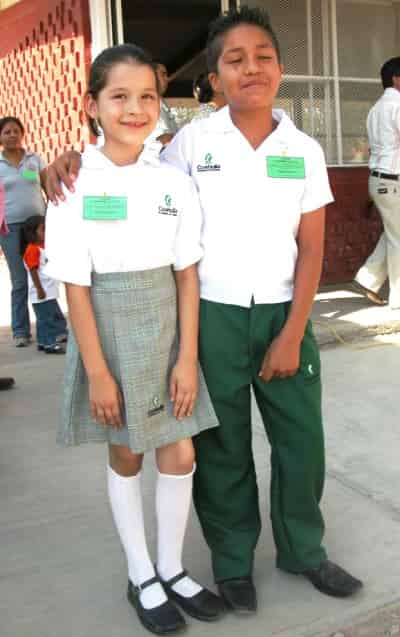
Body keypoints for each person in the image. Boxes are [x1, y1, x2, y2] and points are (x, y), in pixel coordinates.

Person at [45, 6, 363, 616]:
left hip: (282, 314)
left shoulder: (303, 147)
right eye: (234, 60)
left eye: (263, 57)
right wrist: (71, 158)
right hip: (212, 316)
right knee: (221, 447)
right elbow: (127, 167)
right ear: (214, 78)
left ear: (281, 68)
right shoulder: (189, 142)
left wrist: (295, 330)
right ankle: (234, 563)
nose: (251, 69)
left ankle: (304, 549)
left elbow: (314, 244)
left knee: (302, 441)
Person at [44, 44, 224, 635]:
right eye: (119, 96)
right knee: (127, 451)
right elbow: (74, 286)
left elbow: (188, 274)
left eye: (147, 95)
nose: (136, 108)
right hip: (110, 336)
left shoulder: (172, 179)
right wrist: (97, 371)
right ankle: (140, 571)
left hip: (171, 332)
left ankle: (172, 567)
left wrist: (188, 358)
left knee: (180, 451)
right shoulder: (71, 185)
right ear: (92, 104)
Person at [352, 57, 400, 309]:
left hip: (379, 180)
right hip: (392, 181)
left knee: (394, 233)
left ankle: (368, 279)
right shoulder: (397, 106)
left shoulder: (375, 109)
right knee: (398, 237)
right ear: (396, 79)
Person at [0, 117, 47, 347]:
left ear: (22, 133)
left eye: (16, 131)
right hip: (9, 227)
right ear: (0, 137)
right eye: (7, 132)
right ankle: (20, 331)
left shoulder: (34, 160)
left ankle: (49, 327)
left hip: (37, 227)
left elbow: (48, 186)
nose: (12, 135)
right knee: (20, 280)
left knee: (44, 277)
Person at [22, 215, 67, 354]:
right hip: (42, 292)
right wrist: (39, 289)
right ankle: (50, 343)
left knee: (47, 317)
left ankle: (43, 341)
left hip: (48, 291)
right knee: (47, 319)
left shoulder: (42, 247)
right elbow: (33, 270)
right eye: (43, 229)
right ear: (32, 232)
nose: (46, 232)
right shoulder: (32, 249)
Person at [146, 59, 178, 147]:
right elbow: (163, 139)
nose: (167, 79)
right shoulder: (145, 105)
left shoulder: (162, 103)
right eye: (163, 74)